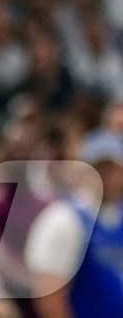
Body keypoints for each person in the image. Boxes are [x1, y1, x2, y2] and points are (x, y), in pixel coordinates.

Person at [23, 129, 123, 315]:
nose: (106, 176)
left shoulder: (117, 217)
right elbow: (49, 295)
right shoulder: (65, 219)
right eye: (99, 168)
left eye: (113, 169)